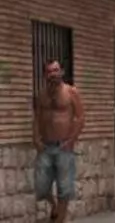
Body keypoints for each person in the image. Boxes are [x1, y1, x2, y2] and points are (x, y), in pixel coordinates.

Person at [34, 59, 84, 222]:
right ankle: (53, 206)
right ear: (45, 75)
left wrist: (72, 140)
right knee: (41, 187)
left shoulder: (71, 92)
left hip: (64, 146)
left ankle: (59, 220)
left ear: (61, 72)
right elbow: (37, 118)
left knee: (64, 189)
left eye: (55, 70)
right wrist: (36, 138)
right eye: (49, 71)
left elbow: (80, 117)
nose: (53, 74)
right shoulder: (41, 95)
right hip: (45, 146)